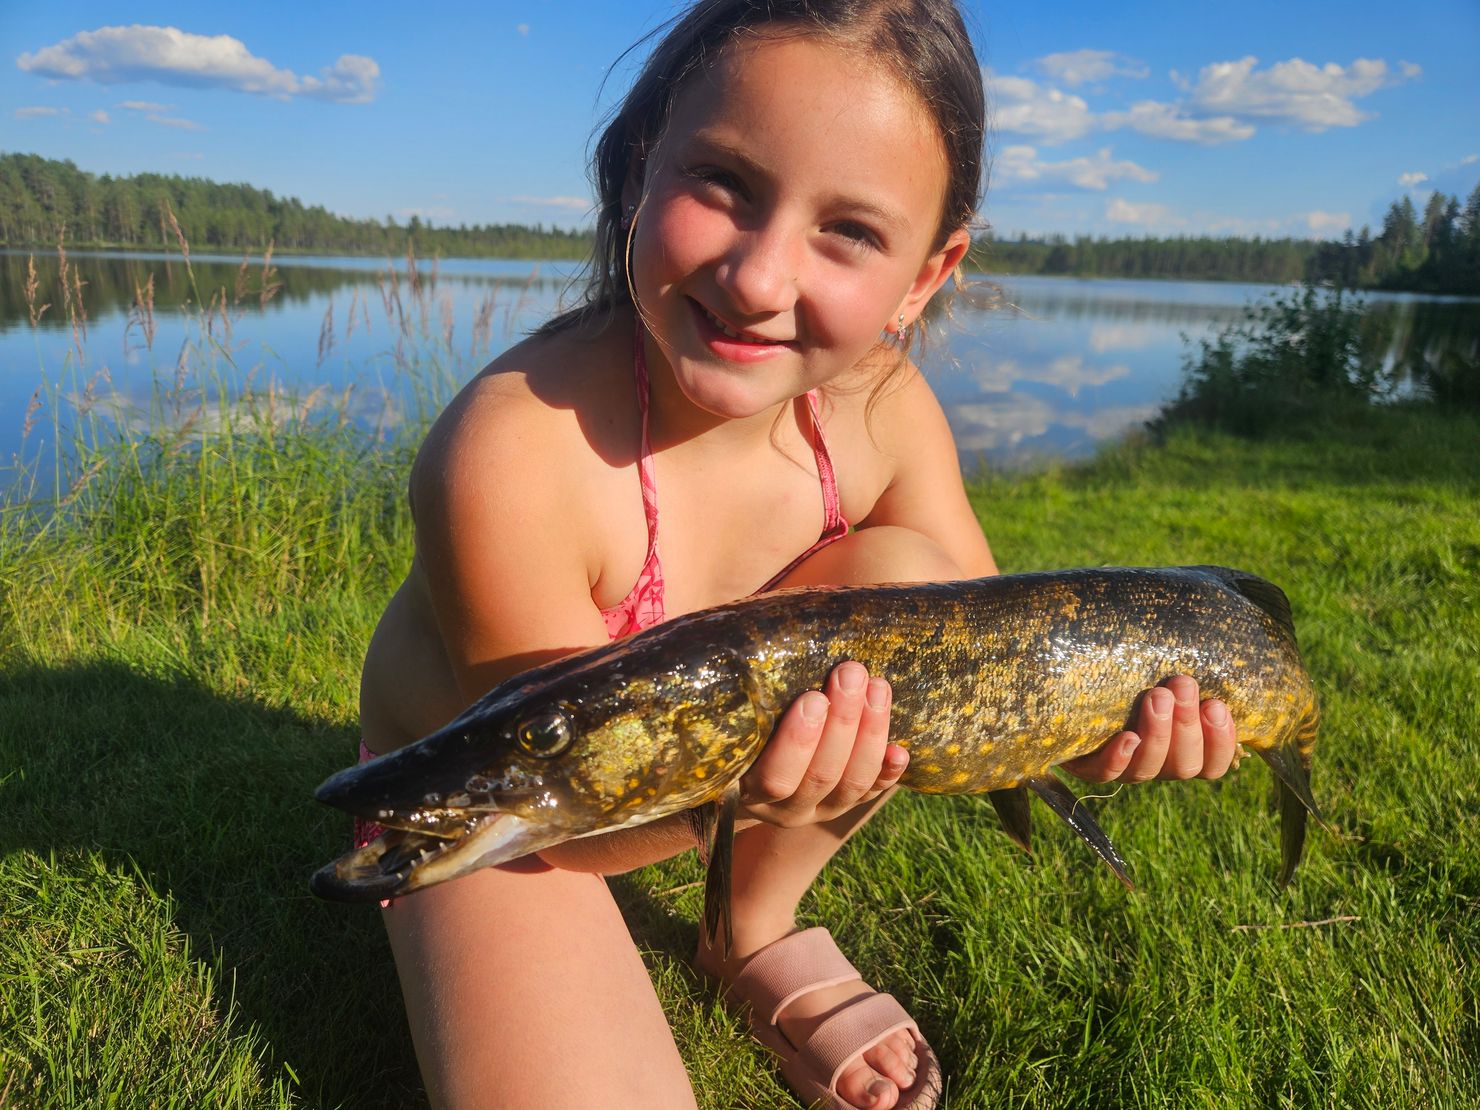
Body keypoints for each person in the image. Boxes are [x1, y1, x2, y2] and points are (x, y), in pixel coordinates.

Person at [356, 2, 1241, 1107]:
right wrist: (726, 799)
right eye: (723, 183)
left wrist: (1091, 727)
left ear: (925, 276)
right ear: (637, 173)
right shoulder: (510, 453)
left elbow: (999, 662)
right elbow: (563, 812)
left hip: (679, 777)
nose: (760, 279)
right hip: (496, 815)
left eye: (850, 231)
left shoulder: (884, 411)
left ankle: (750, 923)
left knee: (920, 595)